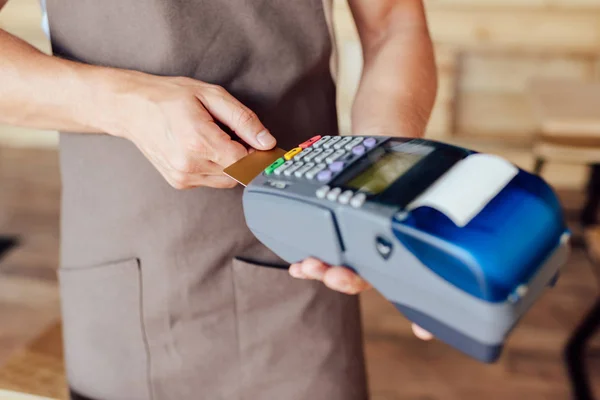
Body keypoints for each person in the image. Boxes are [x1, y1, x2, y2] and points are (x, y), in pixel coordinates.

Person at [0, 0, 437, 399]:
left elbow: (393, 22)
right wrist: (126, 104)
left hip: (302, 257)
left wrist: (380, 183)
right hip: (138, 266)